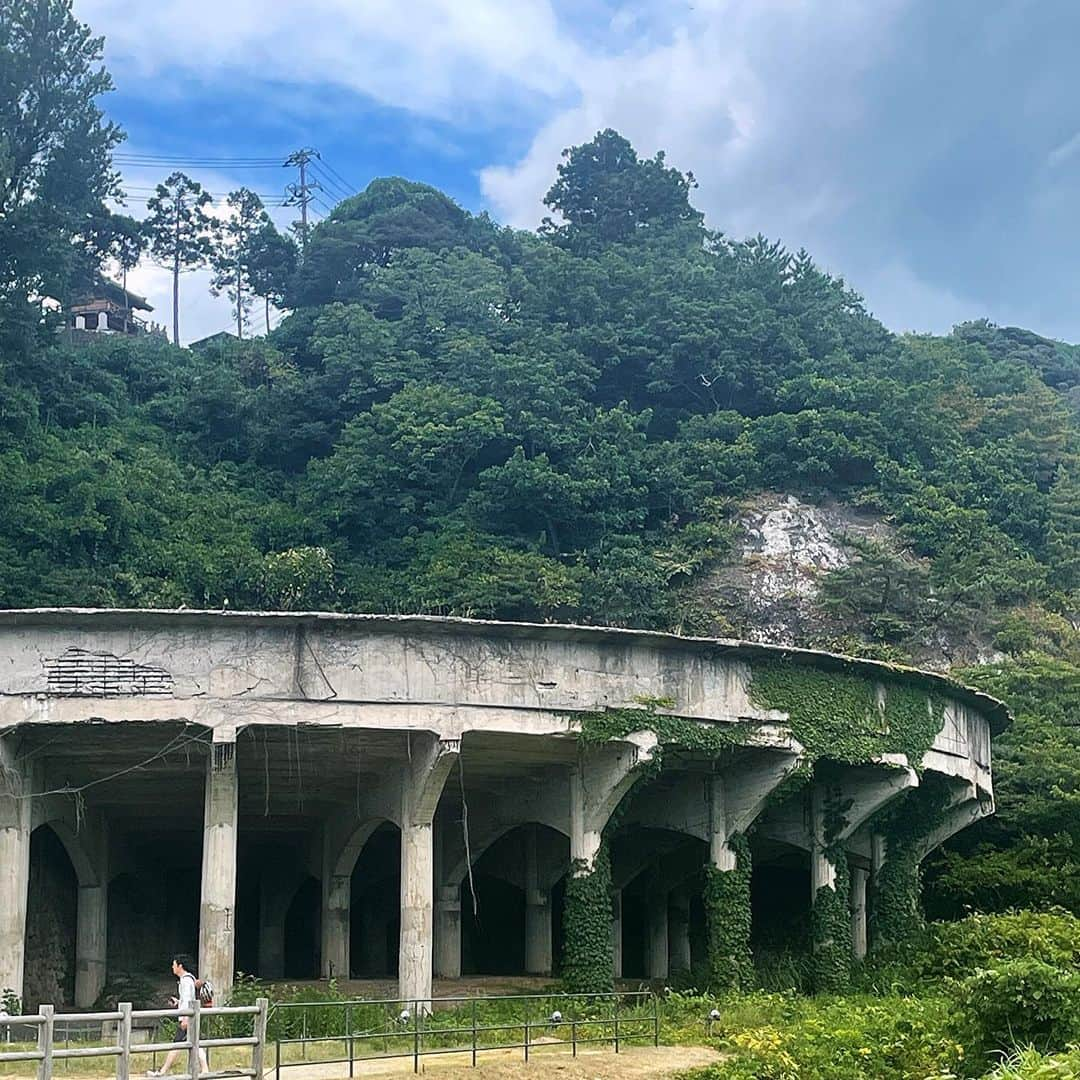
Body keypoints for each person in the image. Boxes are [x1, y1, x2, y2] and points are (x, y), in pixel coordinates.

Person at [146, 954, 209, 1077]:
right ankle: (205, 1069)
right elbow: (187, 1000)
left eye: (174, 964)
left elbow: (187, 1000)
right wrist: (178, 1002)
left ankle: (163, 1071)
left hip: (187, 1018)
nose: (172, 967)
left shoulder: (186, 981)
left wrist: (185, 1017)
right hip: (190, 1016)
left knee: (177, 1044)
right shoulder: (188, 980)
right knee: (196, 1043)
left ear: (180, 966)